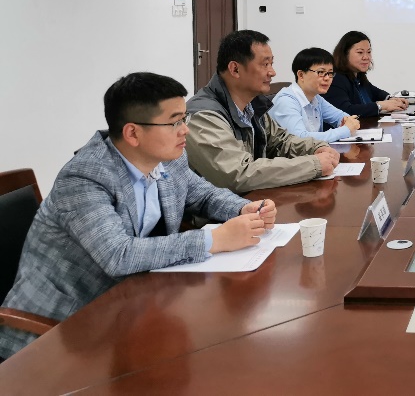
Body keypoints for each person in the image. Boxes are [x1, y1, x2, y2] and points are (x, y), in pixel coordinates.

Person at [0, 73, 276, 361]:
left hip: (131, 306)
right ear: (132, 133)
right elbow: (119, 255)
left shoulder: (169, 158)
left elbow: (201, 194)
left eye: (185, 118)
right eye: (174, 122)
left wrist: (243, 209)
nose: (186, 130)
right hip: (60, 333)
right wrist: (214, 239)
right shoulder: (84, 178)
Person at [186, 30, 340, 193]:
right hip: (217, 208)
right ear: (235, 69)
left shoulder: (251, 105)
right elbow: (238, 174)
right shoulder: (203, 116)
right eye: (265, 64)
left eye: (271, 64)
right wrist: (314, 164)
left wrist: (316, 148)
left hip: (251, 201)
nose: (272, 72)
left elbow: (281, 142)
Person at [269, 47, 362, 144]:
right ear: (301, 75)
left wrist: (346, 122)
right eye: (321, 72)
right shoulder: (286, 101)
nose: (327, 78)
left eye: (330, 73)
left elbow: (342, 117)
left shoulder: (315, 98)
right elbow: (300, 140)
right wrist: (345, 130)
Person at [325, 31, 408, 118]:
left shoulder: (358, 75)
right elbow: (346, 111)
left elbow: (375, 92)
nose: (366, 57)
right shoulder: (335, 79)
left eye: (368, 52)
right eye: (360, 52)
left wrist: (390, 99)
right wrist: (380, 106)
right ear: (345, 54)